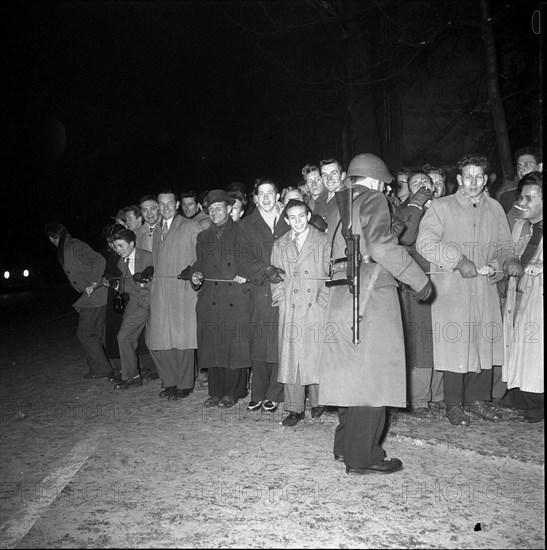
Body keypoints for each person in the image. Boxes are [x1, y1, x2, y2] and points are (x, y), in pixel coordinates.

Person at [318, 153, 433, 475]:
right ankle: (364, 457)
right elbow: (381, 248)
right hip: (372, 293)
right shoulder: (372, 198)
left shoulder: (337, 205)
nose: (386, 188)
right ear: (375, 180)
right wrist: (419, 280)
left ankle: (345, 446)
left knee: (350, 375)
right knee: (373, 379)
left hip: (342, 293)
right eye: (384, 184)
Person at [416, 154, 521, 426]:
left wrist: (505, 262)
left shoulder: (495, 208)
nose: (473, 182)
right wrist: (458, 260)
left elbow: (504, 244)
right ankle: (453, 404)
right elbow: (425, 243)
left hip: (483, 286)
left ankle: (477, 401)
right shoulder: (441, 207)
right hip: (453, 288)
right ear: (460, 179)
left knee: (482, 342)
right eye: (468, 177)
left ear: (485, 179)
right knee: (455, 343)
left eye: (479, 177)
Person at [182, 189, 254, 408]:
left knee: (234, 346)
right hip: (211, 298)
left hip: (235, 297)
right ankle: (216, 391)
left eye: (219, 208)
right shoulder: (203, 237)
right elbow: (200, 264)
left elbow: (251, 261)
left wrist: (246, 275)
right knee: (213, 344)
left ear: (229, 209)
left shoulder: (242, 232)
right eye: (211, 209)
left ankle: (235, 391)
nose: (215, 212)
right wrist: (195, 274)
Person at [271, 199, 330, 426]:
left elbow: (330, 275)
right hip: (291, 309)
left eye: (301, 216)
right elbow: (275, 278)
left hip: (315, 306)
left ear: (308, 215)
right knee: (291, 359)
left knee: (315, 355)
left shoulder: (323, 241)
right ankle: (294, 408)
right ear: (286, 220)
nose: (297, 221)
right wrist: (282, 301)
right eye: (292, 218)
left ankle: (319, 401)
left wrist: (322, 300)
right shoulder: (279, 244)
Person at [238, 178, 290, 413]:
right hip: (259, 289)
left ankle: (275, 393)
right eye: (262, 194)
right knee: (259, 340)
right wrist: (264, 269)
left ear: (278, 196)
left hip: (286, 287)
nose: (267, 197)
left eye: (271, 192)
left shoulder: (289, 220)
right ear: (255, 198)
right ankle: (257, 392)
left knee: (280, 340)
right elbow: (242, 258)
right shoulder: (246, 224)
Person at [397, 172, 443, 418]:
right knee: (422, 342)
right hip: (417, 283)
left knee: (444, 338)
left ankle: (439, 395)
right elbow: (406, 236)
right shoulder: (404, 210)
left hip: (445, 280)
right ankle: (420, 398)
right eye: (415, 184)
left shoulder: (443, 206)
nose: (421, 186)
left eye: (425, 183)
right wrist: (416, 205)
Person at [146, 190, 198, 401]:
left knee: (183, 338)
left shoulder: (189, 226)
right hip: (161, 291)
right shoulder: (157, 230)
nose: (166, 208)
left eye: (170, 203)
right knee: (161, 337)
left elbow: (202, 255)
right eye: (161, 204)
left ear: (177, 204)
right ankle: (170, 381)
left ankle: (185, 384)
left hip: (183, 290)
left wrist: (193, 270)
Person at [45, 222, 114, 379]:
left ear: (51, 238)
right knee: (97, 332)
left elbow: (99, 260)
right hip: (96, 295)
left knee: (84, 332)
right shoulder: (68, 246)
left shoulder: (73, 245)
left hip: (95, 294)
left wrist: (94, 282)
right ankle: (107, 366)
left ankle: (102, 369)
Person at [502, 171, 543, 423]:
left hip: (537, 298)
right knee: (519, 347)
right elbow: (507, 255)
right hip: (518, 297)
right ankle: (524, 398)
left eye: (530, 198)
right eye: (521, 197)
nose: (522, 204)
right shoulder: (519, 227)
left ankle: (537, 402)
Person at [105, 228, 154, 389]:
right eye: (116, 247)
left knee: (157, 339)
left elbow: (157, 277)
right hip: (137, 303)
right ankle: (131, 376)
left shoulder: (147, 256)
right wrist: (113, 283)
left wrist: (147, 274)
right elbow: (126, 287)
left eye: (121, 246)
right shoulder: (121, 262)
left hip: (154, 300)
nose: (118, 250)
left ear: (132, 243)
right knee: (124, 337)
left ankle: (166, 374)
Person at [498, 147, 542, 230]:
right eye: (519, 166)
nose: (522, 169)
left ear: (540, 167)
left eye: (527, 164)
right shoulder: (507, 198)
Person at [314, 158, 346, 230]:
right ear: (321, 179)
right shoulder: (320, 199)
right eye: (325, 175)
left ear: (343, 176)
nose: (329, 178)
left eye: (334, 173)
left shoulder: (348, 199)